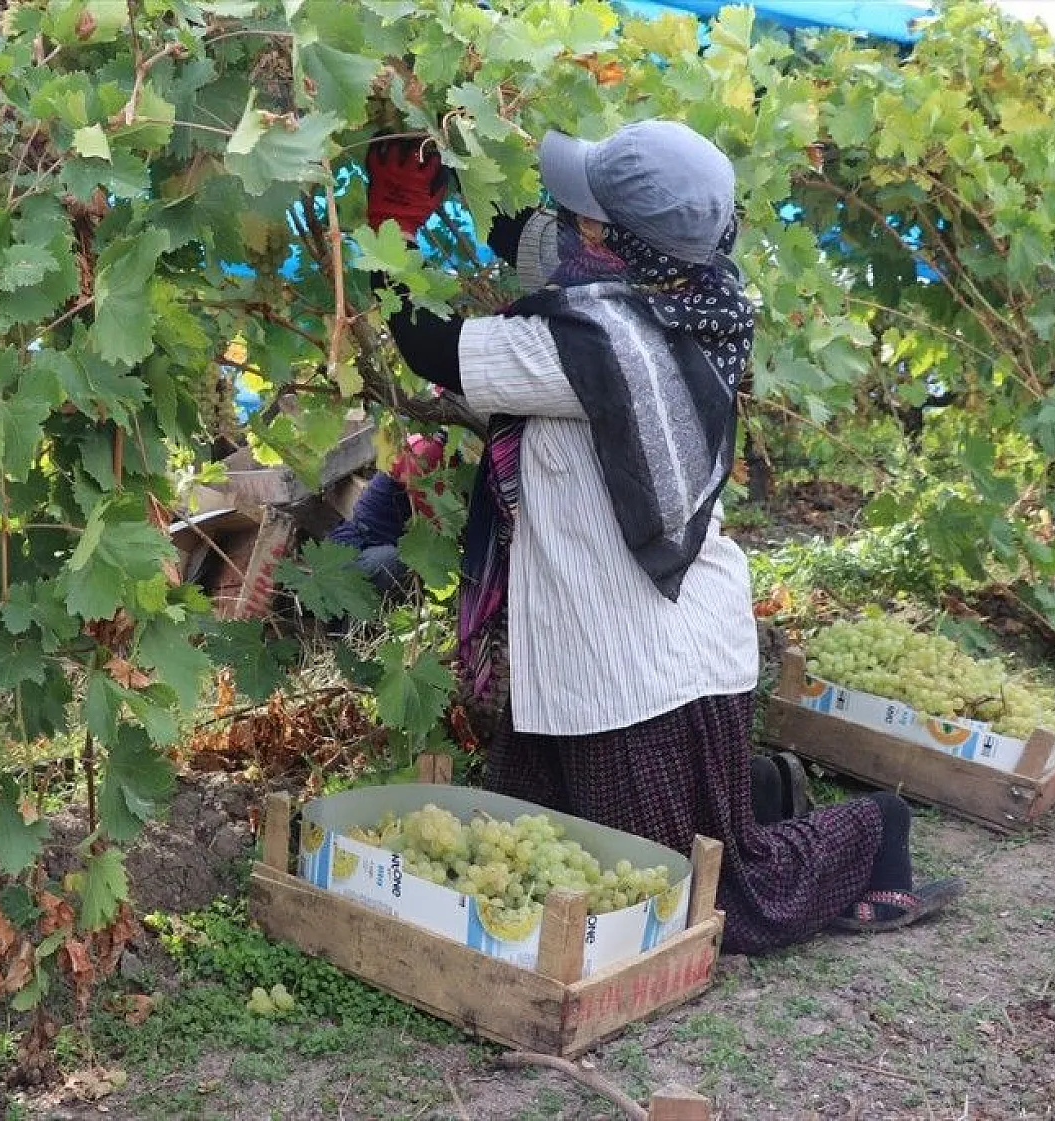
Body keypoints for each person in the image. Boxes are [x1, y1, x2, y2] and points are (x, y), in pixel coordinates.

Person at [362, 121, 962, 953]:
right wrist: (453, 165)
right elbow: (531, 238)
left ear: (607, 238)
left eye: (581, 214)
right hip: (625, 632)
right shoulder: (694, 287)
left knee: (692, 900)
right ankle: (754, 794)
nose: (564, 225)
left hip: (641, 661)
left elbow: (432, 345)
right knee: (562, 840)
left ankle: (875, 832)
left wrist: (388, 220)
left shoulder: (593, 344)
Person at [326, 432, 446, 596]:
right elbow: (441, 520)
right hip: (352, 552)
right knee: (395, 561)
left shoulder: (424, 445)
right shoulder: (423, 450)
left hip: (369, 547)